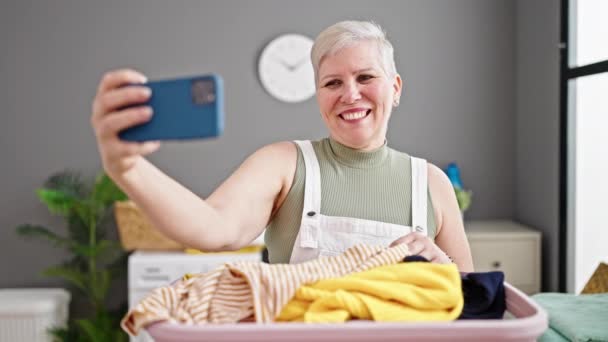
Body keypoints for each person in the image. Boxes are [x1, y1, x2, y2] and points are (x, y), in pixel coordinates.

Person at [91, 20, 474, 272]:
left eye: (365, 77)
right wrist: (127, 169)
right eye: (332, 83)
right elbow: (212, 229)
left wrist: (444, 268)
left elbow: (471, 302)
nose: (350, 94)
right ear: (319, 95)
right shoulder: (284, 164)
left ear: (395, 88)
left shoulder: (432, 183)